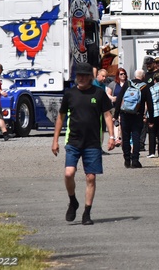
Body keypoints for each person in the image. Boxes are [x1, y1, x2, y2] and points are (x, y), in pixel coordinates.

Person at [52, 62, 116, 226]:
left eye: (83, 75)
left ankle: (87, 213)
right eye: (78, 75)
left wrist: (112, 137)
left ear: (90, 77)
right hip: (73, 140)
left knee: (91, 177)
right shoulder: (70, 94)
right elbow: (60, 116)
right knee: (68, 173)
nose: (80, 78)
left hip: (93, 142)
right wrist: (55, 140)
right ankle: (73, 201)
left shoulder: (99, 94)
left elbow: (108, 115)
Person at [114, 69, 153, 169]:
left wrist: (116, 115)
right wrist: (151, 119)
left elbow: (119, 99)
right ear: (143, 76)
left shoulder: (127, 84)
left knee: (125, 137)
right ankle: (135, 160)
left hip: (125, 114)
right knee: (136, 137)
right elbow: (150, 103)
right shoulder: (145, 86)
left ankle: (127, 159)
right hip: (137, 115)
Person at [107, 68, 128, 147]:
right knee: (116, 122)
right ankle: (117, 138)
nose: (123, 75)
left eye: (124, 74)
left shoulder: (128, 83)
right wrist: (112, 98)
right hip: (115, 106)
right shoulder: (113, 84)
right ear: (117, 75)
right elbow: (108, 93)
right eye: (121, 74)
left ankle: (122, 138)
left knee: (123, 122)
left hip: (126, 106)